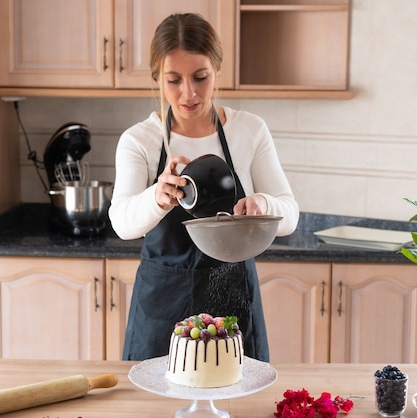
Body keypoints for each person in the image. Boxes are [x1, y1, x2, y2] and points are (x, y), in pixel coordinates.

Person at [108, 13, 299, 362]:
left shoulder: (249, 130)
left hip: (232, 300)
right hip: (162, 303)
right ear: (156, 78)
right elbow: (121, 223)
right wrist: (158, 197)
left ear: (217, 70)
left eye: (200, 77)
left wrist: (264, 204)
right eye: (173, 80)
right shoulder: (139, 140)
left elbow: (290, 215)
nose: (189, 93)